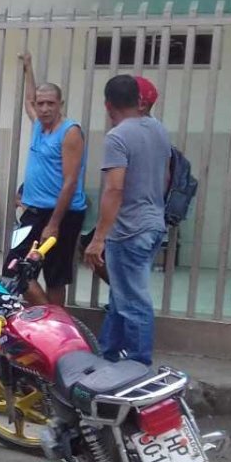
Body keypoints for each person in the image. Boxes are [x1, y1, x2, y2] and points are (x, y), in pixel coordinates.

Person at [83, 75, 172, 366]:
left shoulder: (118, 136)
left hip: (129, 230)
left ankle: (138, 365)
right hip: (153, 223)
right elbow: (166, 176)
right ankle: (107, 355)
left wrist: (98, 238)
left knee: (134, 302)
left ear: (108, 105)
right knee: (122, 297)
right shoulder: (158, 129)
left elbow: (115, 188)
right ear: (139, 100)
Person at [7, 52, 88, 307]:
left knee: (55, 276)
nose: (43, 108)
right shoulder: (38, 126)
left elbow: (70, 181)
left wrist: (54, 224)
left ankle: (56, 331)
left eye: (50, 103)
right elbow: (29, 99)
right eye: (41, 104)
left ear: (60, 104)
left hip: (62, 215)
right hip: (32, 212)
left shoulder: (70, 132)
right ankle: (44, 320)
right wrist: (28, 68)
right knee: (14, 266)